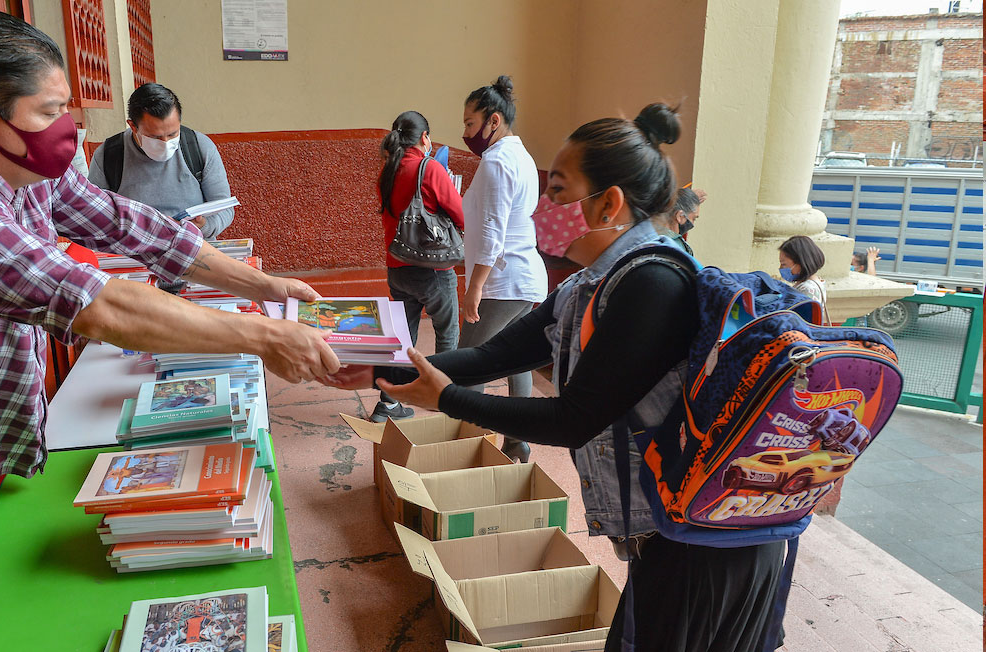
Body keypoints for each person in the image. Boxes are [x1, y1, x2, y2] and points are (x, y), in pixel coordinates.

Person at [0, 11, 338, 637]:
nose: (69, 127)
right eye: (49, 111)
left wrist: (262, 286)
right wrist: (264, 337)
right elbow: (100, 305)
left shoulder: (26, 169)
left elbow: (131, 225)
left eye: (66, 106)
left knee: (10, 614)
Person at [324, 103, 787, 652]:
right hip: (665, 536)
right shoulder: (588, 283)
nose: (544, 207)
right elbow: (498, 354)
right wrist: (384, 368)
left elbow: (574, 420)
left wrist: (448, 399)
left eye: (559, 190)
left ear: (609, 203)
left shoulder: (653, 285)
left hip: (708, 551)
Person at [458, 75, 547, 462]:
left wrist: (475, 287)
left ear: (493, 120)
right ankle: (515, 442)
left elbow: (493, 230)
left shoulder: (496, 161)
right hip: (523, 277)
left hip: (501, 279)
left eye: (470, 123)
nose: (465, 133)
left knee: (465, 365)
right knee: (516, 360)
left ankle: (465, 447)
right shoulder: (521, 156)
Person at [371, 110, 465, 422]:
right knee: (447, 332)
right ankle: (442, 399)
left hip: (398, 268)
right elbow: (460, 215)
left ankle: (388, 404)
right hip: (433, 269)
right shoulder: (430, 168)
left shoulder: (387, 171)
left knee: (403, 336)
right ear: (425, 137)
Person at [88, 82, 235, 240]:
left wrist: (203, 226)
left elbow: (225, 208)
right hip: (135, 250)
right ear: (133, 126)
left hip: (194, 246)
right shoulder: (109, 155)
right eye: (155, 137)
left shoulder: (198, 147)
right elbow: (94, 214)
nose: (165, 142)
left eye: (173, 134)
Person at [779, 234, 828, 321]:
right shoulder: (816, 281)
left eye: (783, 264)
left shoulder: (807, 289)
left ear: (800, 263)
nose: (780, 268)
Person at [656, 186, 702, 255]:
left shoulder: (650, 236)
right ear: (680, 216)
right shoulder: (675, 246)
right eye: (693, 218)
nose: (692, 224)